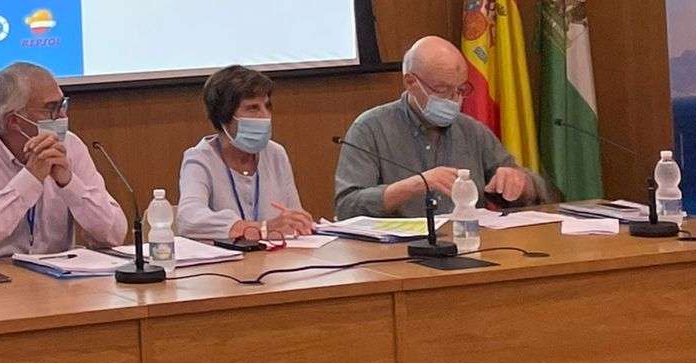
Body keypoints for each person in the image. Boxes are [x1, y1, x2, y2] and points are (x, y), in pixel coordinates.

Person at [332, 35, 555, 219]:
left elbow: (534, 193)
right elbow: (347, 207)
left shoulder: (472, 130)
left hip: (469, 242)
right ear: (410, 82)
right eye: (442, 90)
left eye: (461, 90)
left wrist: (520, 183)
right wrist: (414, 185)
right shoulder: (370, 129)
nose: (454, 99)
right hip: (395, 252)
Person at [0, 62, 129, 261]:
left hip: (56, 274)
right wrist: (28, 180)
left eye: (63, 105)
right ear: (14, 120)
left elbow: (114, 235)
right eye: (52, 108)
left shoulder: (70, 145)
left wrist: (69, 183)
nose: (63, 116)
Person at [177, 65, 315, 242]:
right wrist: (260, 228)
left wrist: (298, 222)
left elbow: (292, 217)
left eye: (267, 106)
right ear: (224, 116)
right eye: (253, 108)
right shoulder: (200, 158)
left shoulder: (275, 153)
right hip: (225, 259)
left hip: (277, 255)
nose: (265, 116)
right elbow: (188, 219)